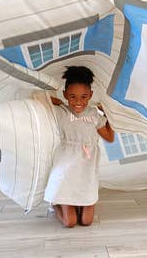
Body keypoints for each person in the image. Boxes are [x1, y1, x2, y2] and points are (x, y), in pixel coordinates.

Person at [45, 66, 114, 228]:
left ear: (90, 95)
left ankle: (78, 201)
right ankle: (57, 204)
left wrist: (108, 113)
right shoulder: (61, 111)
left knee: (86, 221)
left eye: (84, 97)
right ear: (65, 95)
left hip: (86, 167)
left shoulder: (94, 115)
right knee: (70, 222)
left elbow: (110, 137)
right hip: (66, 165)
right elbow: (43, 97)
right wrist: (60, 101)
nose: (78, 102)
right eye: (72, 96)